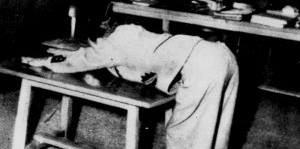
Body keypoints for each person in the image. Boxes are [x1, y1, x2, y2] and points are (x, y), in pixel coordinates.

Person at [23, 23, 239, 149]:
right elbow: (94, 55)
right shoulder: (133, 33)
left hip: (202, 65)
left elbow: (86, 59)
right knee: (216, 133)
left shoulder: (116, 40)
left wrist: (46, 61)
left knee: (183, 136)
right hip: (224, 56)